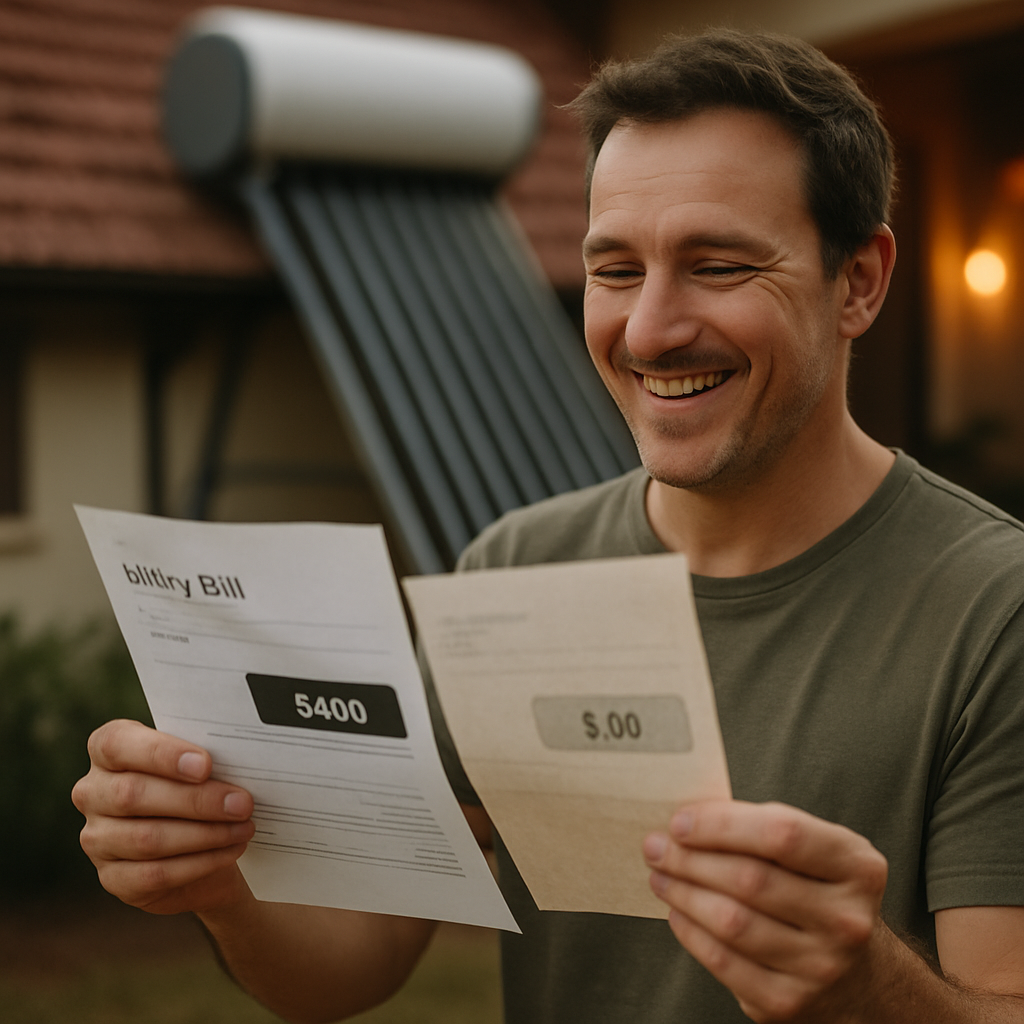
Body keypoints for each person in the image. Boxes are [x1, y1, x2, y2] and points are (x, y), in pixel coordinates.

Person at [72, 29, 1024, 1024]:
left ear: (859, 282)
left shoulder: (992, 612)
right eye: (614, 269)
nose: (650, 329)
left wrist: (866, 989)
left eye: (717, 264)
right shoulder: (516, 569)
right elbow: (353, 964)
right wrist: (220, 885)